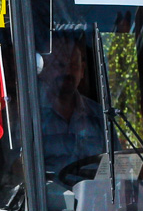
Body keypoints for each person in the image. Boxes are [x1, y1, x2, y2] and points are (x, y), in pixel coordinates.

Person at [38, 35, 106, 177]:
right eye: (60, 65)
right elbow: (19, 172)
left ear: (82, 71)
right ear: (45, 70)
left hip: (95, 197)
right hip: (49, 199)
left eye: (74, 65)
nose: (68, 72)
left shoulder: (100, 116)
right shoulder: (31, 117)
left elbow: (117, 168)